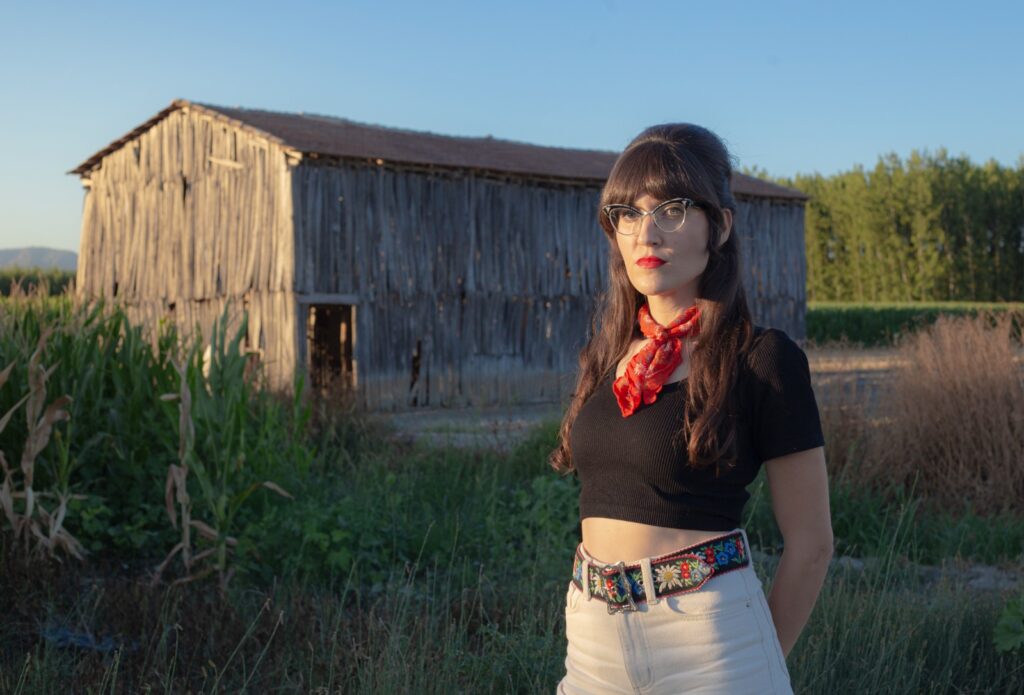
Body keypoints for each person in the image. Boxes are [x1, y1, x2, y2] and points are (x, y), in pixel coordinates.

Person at [549, 124, 833, 694]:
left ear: (720, 225)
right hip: (593, 643)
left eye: (671, 210)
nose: (645, 232)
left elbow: (812, 543)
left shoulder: (761, 359)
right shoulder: (611, 354)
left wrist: (757, 662)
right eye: (627, 213)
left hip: (709, 642)